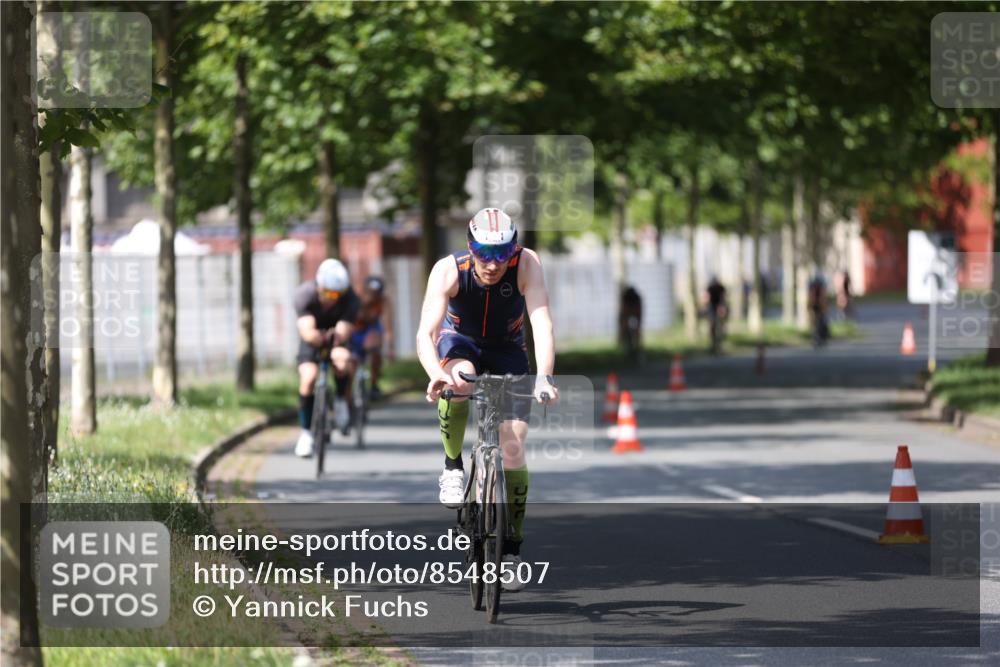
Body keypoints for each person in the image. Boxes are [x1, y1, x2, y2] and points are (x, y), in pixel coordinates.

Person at [415, 207, 559, 589]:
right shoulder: (449, 270)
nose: (492, 264)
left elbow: (541, 325)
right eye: (483, 252)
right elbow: (425, 333)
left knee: (514, 446)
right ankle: (451, 465)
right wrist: (436, 374)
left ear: (513, 250)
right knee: (460, 380)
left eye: (501, 254)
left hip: (508, 348)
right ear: (470, 246)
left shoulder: (527, 265)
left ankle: (511, 545)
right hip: (460, 342)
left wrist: (544, 377)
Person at [293, 258, 361, 457]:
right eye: (329, 293)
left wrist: (336, 337)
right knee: (308, 378)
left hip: (335, 339)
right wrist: (316, 336)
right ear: (319, 286)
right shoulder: (304, 295)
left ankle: (340, 400)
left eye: (338, 295)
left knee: (343, 361)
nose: (333, 299)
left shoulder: (351, 299)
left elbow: (344, 330)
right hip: (312, 339)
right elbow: (306, 330)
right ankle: (306, 433)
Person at [349, 275, 394, 401]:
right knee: (351, 365)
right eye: (370, 293)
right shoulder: (355, 298)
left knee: (375, 345)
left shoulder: (383, 302)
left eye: (376, 294)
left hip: (371, 329)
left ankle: (374, 384)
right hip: (354, 329)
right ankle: (346, 397)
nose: (373, 297)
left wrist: (390, 348)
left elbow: (388, 326)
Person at [705, 276, 727, 353]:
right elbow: (707, 298)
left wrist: (722, 307)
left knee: (716, 326)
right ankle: (715, 344)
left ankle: (716, 344)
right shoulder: (718, 287)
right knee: (715, 326)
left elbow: (707, 298)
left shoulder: (713, 287)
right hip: (714, 307)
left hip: (717, 307)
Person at [808, 272, 830, 346]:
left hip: (818, 306)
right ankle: (818, 337)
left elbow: (821, 297)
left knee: (818, 323)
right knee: (817, 323)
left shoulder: (815, 286)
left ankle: (819, 337)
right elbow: (814, 297)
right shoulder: (817, 286)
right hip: (816, 306)